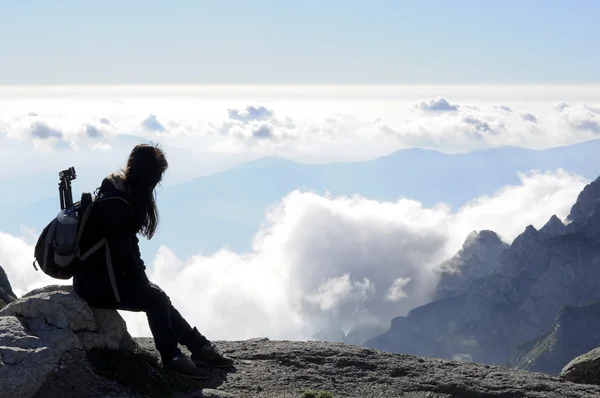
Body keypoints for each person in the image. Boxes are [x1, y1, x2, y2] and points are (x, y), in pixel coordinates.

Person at [73, 143, 233, 379]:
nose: (155, 185)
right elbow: (122, 254)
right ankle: (172, 357)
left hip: (102, 277)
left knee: (158, 296)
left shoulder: (120, 194)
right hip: (94, 284)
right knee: (156, 299)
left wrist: (142, 278)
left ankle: (199, 348)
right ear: (146, 177)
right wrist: (140, 278)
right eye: (155, 179)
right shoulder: (115, 205)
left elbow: (127, 248)